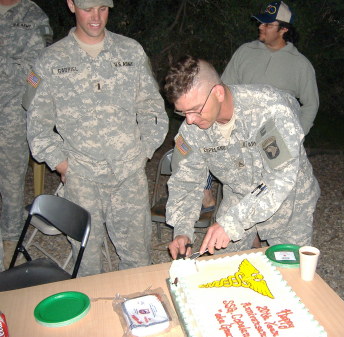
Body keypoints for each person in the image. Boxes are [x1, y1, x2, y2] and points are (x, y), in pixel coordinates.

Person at [25, 0, 168, 276]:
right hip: (82, 179)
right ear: (71, 5)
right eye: (88, 8)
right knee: (86, 263)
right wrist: (63, 165)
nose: (96, 17)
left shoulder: (130, 51)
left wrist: (143, 153)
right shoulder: (51, 60)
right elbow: (38, 127)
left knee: (137, 261)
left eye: (103, 8)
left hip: (128, 176)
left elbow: (152, 110)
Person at [164, 55, 320, 260]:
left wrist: (231, 223)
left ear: (218, 93)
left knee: (290, 272)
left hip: (289, 203)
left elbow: (280, 177)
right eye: (182, 112)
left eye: (195, 110)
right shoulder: (192, 130)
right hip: (239, 197)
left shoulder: (269, 108)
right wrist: (183, 231)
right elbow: (186, 181)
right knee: (223, 268)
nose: (190, 120)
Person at [0, 0, 52, 271]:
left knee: (11, 185)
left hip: (11, 115)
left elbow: (35, 70)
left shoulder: (31, 14)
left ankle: (10, 248)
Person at [221, 1, 319, 136]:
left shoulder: (301, 64)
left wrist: (298, 134)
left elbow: (311, 105)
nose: (261, 26)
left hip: (276, 142)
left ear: (284, 29)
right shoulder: (245, 51)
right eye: (261, 22)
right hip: (240, 134)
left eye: (268, 24)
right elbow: (223, 91)